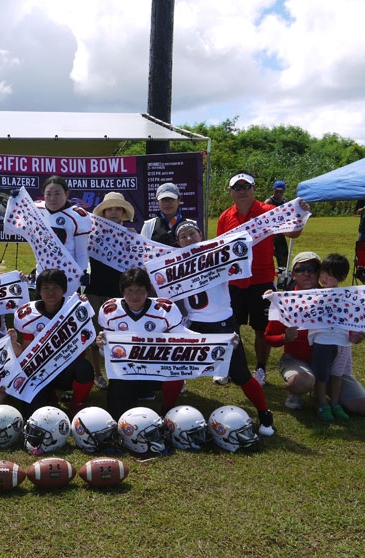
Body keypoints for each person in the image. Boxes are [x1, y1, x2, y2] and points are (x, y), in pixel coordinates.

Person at [174, 220, 275, 435]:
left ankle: (264, 412)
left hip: (221, 322)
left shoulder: (216, 255)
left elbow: (241, 257)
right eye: (183, 236)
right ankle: (167, 410)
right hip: (193, 322)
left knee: (239, 374)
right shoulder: (174, 263)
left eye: (192, 233)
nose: (188, 238)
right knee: (175, 367)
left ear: (201, 234)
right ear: (178, 242)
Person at [217, 171, 303, 387]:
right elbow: (219, 249)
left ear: (254, 189)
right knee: (230, 327)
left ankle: (261, 369)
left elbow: (293, 233)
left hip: (262, 280)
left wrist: (301, 214)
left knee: (261, 329)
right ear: (231, 192)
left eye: (246, 186)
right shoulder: (225, 217)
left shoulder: (268, 211)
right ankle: (228, 367)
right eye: (237, 188)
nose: (242, 191)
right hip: (234, 282)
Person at [264, 252, 365, 416]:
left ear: (320, 272)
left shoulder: (333, 296)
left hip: (329, 362)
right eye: (301, 269)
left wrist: (353, 335)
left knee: (363, 407)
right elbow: (268, 337)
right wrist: (285, 338)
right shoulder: (286, 301)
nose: (307, 273)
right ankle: (296, 391)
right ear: (293, 273)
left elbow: (346, 323)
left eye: (312, 268)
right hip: (297, 360)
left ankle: (320, 390)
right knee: (302, 382)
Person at [95, 267, 185, 420]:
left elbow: (185, 338)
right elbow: (108, 354)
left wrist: (223, 341)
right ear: (122, 291)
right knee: (117, 414)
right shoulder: (110, 310)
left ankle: (167, 408)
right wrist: (102, 345)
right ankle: (139, 392)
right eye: (129, 290)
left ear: (148, 290)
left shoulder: (165, 308)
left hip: (156, 366)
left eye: (139, 290)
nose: (134, 296)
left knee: (176, 369)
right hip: (126, 370)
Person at [13, 269, 94, 417]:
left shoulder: (75, 307)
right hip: (40, 371)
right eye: (46, 288)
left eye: (56, 287)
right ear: (39, 290)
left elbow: (82, 345)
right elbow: (27, 349)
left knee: (84, 367)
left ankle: (77, 402)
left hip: (66, 368)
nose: (51, 293)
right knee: (32, 413)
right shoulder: (29, 314)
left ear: (63, 289)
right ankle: (49, 393)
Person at [85, 192, 137, 390]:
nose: (114, 213)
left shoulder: (132, 234)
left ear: (123, 212)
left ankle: (121, 372)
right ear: (104, 212)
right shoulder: (92, 232)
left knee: (122, 333)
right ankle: (98, 374)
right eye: (110, 209)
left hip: (121, 291)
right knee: (95, 334)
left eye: (117, 209)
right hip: (96, 289)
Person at [308, 254, 352, 422]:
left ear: (341, 277)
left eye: (330, 275)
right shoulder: (314, 294)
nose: (324, 278)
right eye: (323, 273)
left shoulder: (347, 296)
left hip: (342, 341)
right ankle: (321, 403)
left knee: (337, 374)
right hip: (322, 340)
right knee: (322, 375)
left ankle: (335, 403)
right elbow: (294, 303)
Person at [35, 176, 92, 283]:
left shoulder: (77, 216)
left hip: (68, 277)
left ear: (66, 194)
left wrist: (82, 272)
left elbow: (81, 252)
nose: (52, 198)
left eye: (57, 193)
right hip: (42, 275)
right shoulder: (36, 209)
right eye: (48, 194)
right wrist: (14, 200)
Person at [140, 182, 186, 247]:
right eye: (163, 200)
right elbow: (142, 251)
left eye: (171, 199)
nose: (167, 203)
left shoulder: (191, 224)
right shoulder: (149, 226)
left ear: (178, 201)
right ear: (157, 202)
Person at [265, 181, 289, 270]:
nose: (278, 194)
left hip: (281, 233)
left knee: (283, 256)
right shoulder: (269, 202)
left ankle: (282, 277)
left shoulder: (285, 201)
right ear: (273, 190)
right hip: (271, 234)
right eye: (276, 191)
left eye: (281, 192)